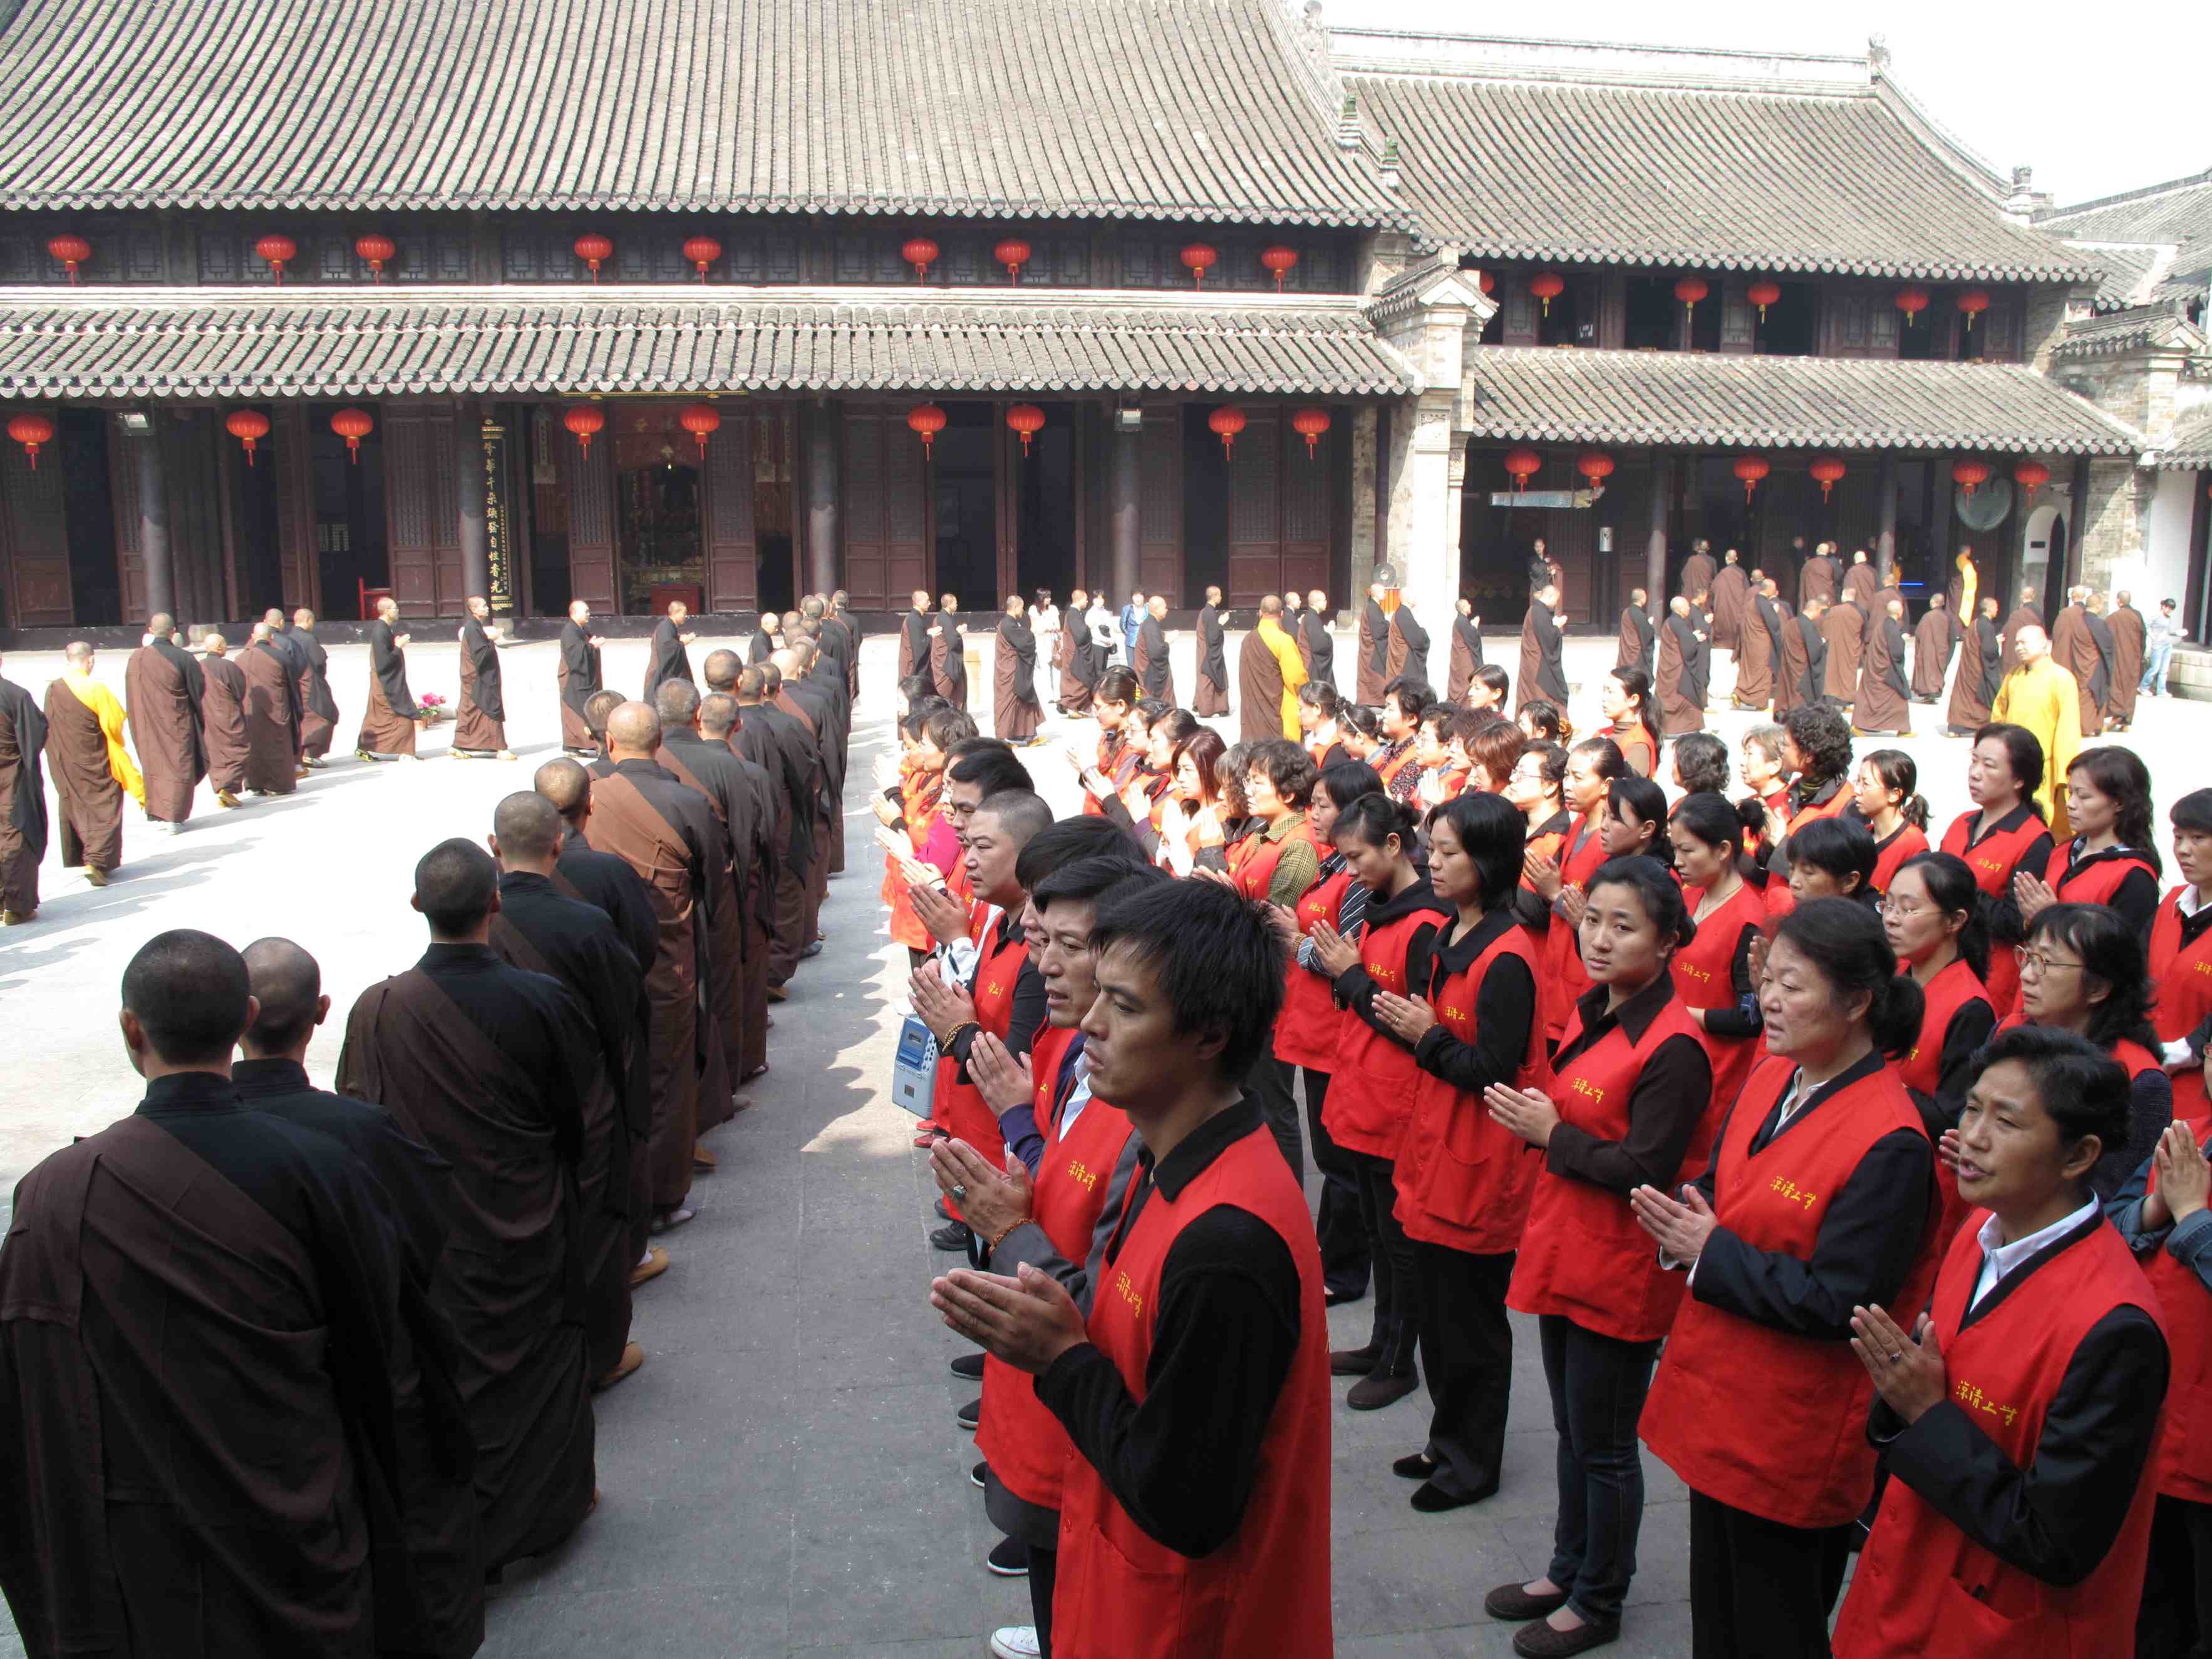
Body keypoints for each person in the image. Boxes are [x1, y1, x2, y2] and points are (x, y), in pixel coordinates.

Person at [0, 930, 484, 1658]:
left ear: (131, 1029)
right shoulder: (320, 1170)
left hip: (144, 1555)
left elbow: (34, 1392)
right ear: (243, 1018)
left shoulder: (55, 1194)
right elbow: (383, 1354)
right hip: (300, 1524)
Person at [929, 877, 1331, 1659]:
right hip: (1124, 1590)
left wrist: (1059, 1358)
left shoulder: (1228, 1243)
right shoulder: (1165, 1158)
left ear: (1210, 1035)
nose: (1093, 1026)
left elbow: (1186, 1502)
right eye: (1098, 995)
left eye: (1127, 1007)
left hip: (1189, 1624)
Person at [1634, 899, 1937, 1659]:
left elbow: (1843, 1300)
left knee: (1774, 1626)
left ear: (1858, 1000)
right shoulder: (1774, 1074)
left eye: (1792, 985)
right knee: (1717, 1615)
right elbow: (1725, 1187)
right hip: (1722, 1397)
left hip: (1792, 1433)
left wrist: (1709, 1252)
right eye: (1766, 978)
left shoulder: (1892, 1140)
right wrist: (1684, 1226)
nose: (1766, 998)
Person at [1836, 1028, 2168, 1659]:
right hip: (1905, 1588)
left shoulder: (2116, 1326)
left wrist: (1926, 1415)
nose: (1974, 1137)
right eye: (1972, 1108)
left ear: (2078, 1156)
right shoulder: (1980, 1233)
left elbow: (2057, 1541)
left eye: (2006, 1122)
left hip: (1999, 1628)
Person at [336, 840, 601, 1576]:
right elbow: (575, 1109)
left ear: (417, 907)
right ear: (494, 903)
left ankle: (468, 1521)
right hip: (527, 1206)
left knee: (453, 1373)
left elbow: (361, 1122)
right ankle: (549, 1509)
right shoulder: (540, 1000)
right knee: (540, 1358)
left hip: (433, 1229)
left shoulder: (379, 1010)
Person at [1485, 858, 1711, 1656]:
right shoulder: (1599, 1011)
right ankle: (1566, 1566)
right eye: (1595, 920)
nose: (1601, 938)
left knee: (1606, 1442)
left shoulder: (1674, 1046)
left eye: (1625, 926)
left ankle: (1599, 1599)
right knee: (1574, 1432)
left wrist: (1554, 1135)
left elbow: (1648, 1170)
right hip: (1567, 1247)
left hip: (1617, 1265)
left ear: (1669, 941)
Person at [937, 855, 1161, 1659]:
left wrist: (1011, 1230)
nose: (1046, 963)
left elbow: (1108, 1304)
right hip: (1044, 1382)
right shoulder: (1076, 1057)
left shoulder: (1154, 1130)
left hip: (1083, 1396)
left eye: (1071, 943)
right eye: (1036, 938)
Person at [1377, 792, 1547, 1512]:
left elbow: (1494, 1073)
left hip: (1478, 1164)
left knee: (1470, 1324)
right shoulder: (1454, 931)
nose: (1432, 863)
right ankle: (1445, 1439)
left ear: (1490, 859)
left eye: (1448, 853)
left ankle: (1472, 1462)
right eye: (1432, 849)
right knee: (1436, 1313)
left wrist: (1426, 1037)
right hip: (1436, 1150)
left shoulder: (1507, 955)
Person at [484, 792, 653, 1388]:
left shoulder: (484, 928)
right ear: (559, 843)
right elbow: (626, 999)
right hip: (584, 1090)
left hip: (497, 1101)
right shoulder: (586, 923)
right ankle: (602, 1351)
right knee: (597, 1222)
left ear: (494, 847)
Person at [1308, 793, 1452, 1411]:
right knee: (1373, 1230)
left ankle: (1399, 1359)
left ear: (1394, 846)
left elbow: (1414, 1025)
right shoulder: (1380, 910)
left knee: (1398, 1243)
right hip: (1361, 1097)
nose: (1349, 871)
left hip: (1396, 1105)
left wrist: (1348, 974)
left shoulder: (1424, 924)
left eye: (1356, 857)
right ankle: (1378, 1343)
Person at [581, 702, 723, 1229]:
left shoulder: (590, 796)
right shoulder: (687, 800)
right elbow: (711, 878)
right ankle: (663, 1197)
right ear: (661, 738)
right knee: (665, 1076)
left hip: (595, 962)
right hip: (667, 963)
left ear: (610, 745)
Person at [910, 792, 1054, 1251]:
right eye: (966, 845)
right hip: (974, 1135)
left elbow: (1012, 1070)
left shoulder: (1036, 954)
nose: (968, 860)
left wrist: (957, 1027)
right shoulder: (997, 923)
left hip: (1009, 1154)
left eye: (984, 847)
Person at [1274, 758, 1385, 1307]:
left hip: (1336, 1034)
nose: (1313, 814)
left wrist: (1293, 941)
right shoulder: (1331, 863)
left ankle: (1344, 1270)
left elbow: (1347, 959)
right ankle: (1332, 1253)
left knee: (1340, 1158)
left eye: (1322, 804)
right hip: (1311, 1030)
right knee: (1331, 1150)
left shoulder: (1358, 879)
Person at [2115, 1115, 2212, 1658]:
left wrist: (2193, 1216)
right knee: (2147, 1617)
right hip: (2153, 1430)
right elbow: (2104, 1225)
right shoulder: (2187, 1135)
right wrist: (2155, 1208)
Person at [2012, 902, 2172, 1197]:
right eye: (2027, 957)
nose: (2027, 975)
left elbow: (2114, 1198)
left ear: (2098, 988)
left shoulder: (2138, 1081)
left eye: (2046, 962)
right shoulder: (2009, 1034)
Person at [1883, 850, 1998, 1241]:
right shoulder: (1892, 975)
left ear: (1955, 921)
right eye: (1889, 904)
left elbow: (1952, 1119)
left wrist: (1875, 1083)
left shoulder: (1970, 1006)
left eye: (1909, 908)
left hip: (1920, 1179)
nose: (1892, 917)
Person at [1940, 723, 2055, 1014]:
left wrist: (1958, 887)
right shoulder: (1962, 824)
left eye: (1989, 765)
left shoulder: (2034, 840)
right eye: (1974, 761)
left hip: (1990, 980)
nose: (1975, 773)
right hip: (1943, 965)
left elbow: (2014, 921)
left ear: (2018, 780)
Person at [1517, 736, 1626, 1043]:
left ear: (1607, 785)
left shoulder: (1610, 842)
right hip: (1554, 972)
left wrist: (1554, 893)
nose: (1568, 784)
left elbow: (1596, 915)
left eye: (1578, 778)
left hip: (1583, 977)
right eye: (1566, 775)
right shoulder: (1577, 826)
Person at [1668, 791, 1769, 1110]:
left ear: (1723, 850)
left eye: (1687, 850)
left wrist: (1679, 1013)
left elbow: (1749, 1018)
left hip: (1715, 1073)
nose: (1677, 861)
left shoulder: (1748, 922)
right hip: (1674, 1055)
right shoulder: (1690, 897)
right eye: (1675, 849)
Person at [2014, 745, 2163, 943]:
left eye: (2083, 796)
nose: (2071, 804)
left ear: (2120, 803)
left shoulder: (2134, 876)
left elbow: (2124, 956)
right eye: (2070, 793)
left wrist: (2051, 917)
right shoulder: (2063, 852)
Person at [43, 640, 141, 887]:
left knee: (78, 805)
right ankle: (96, 860)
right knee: (105, 803)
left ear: (68, 661)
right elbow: (115, 726)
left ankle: (88, 856)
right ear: (91, 661)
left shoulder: (54, 689)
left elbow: (49, 726)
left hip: (67, 761)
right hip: (96, 759)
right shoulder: (96, 689)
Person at [2150, 788, 2212, 1132]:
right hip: (2151, 1079)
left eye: (2198, 838)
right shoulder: (2173, 903)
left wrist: (2185, 1051)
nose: (2183, 850)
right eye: (2178, 837)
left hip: (2201, 1094)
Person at [123, 613, 205, 832]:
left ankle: (160, 812)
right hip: (177, 722)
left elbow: (132, 693)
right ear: (173, 633)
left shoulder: (136, 658)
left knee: (155, 764)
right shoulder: (184, 658)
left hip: (147, 723)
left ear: (150, 631)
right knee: (179, 765)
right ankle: (174, 816)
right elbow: (198, 690)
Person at [1853, 748, 1931, 894]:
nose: (1857, 791)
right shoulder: (1861, 835)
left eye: (1866, 785)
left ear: (1894, 795)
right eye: (1858, 782)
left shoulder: (1914, 846)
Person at [238, 623, 303, 795]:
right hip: (278, 710)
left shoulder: (241, 659)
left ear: (253, 636)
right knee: (278, 746)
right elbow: (293, 686)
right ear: (271, 637)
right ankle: (279, 785)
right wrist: (298, 709)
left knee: (256, 745)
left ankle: (255, 783)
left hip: (251, 713)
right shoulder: (281, 657)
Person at [356, 597, 420, 760]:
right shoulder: (380, 630)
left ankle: (364, 746)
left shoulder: (384, 628)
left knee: (378, 717)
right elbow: (384, 662)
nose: (398, 611)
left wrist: (395, 645)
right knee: (402, 714)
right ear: (386, 611)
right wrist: (398, 648)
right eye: (395, 608)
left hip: (383, 680)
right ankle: (405, 752)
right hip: (386, 682)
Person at [1238, 594, 1306, 742]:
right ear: (1281, 614)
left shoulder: (1248, 640)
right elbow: (1296, 680)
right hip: (1276, 714)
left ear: (1260, 613)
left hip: (1252, 716)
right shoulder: (1284, 641)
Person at [452, 594, 512, 760]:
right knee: (486, 709)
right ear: (474, 609)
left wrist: (488, 639)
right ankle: (500, 748)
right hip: (477, 679)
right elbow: (480, 655)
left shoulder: (476, 626)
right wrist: (491, 640)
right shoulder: (472, 628)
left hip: (479, 678)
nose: (487, 608)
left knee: (473, 712)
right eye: (483, 606)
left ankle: (460, 745)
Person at [193, 633, 249, 810]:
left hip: (207, 717)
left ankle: (224, 790)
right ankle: (227, 789)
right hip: (228, 716)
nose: (225, 648)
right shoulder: (228, 667)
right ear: (218, 647)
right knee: (239, 749)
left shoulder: (197, 667)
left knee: (215, 752)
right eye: (224, 645)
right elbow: (240, 691)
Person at [284, 607, 342, 765]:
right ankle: (310, 753)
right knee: (324, 716)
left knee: (305, 718)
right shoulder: (308, 639)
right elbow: (318, 662)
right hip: (311, 684)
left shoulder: (288, 638)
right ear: (308, 621)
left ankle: (302, 753)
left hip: (296, 684)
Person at [1945, 594, 2005, 735]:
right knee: (1979, 699)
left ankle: (1957, 727)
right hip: (1977, 670)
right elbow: (1989, 651)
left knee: (1965, 697)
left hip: (1969, 668)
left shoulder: (1976, 623)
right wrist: (1997, 644)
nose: (1997, 610)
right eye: (1996, 607)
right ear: (1989, 609)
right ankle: (1977, 725)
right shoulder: (1986, 626)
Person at [2049, 587, 2104, 737]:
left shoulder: (2065, 614)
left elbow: (2057, 636)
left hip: (2064, 659)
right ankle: (2083, 724)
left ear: (2072, 596)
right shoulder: (2087, 616)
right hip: (2084, 661)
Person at [1854, 597, 1913, 735]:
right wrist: (1902, 640)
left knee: (1870, 698)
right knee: (1900, 698)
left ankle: (1859, 724)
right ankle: (1902, 730)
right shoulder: (1892, 628)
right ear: (1900, 612)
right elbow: (1897, 652)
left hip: (1877, 668)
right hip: (1886, 671)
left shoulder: (1883, 624)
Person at [554, 599, 604, 755]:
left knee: (583, 708)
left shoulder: (580, 629)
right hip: (573, 678)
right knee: (575, 709)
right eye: (586, 611)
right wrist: (591, 646)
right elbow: (576, 654)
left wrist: (590, 645)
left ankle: (573, 746)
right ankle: (573, 745)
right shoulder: (569, 631)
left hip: (581, 677)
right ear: (574, 613)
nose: (589, 614)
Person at [993, 596, 1043, 744]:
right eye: (1021, 608)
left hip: (1015, 667)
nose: (1023, 611)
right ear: (1015, 608)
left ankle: (1023, 733)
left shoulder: (1010, 623)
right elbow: (1025, 642)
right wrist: (1032, 630)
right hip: (1011, 670)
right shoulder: (1009, 624)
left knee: (1022, 700)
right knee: (1009, 701)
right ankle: (1004, 735)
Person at [1599, 666, 1659, 779]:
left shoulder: (1639, 744)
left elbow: (1628, 791)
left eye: (1611, 692)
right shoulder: (1600, 734)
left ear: (1633, 700)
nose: (1604, 698)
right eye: (1604, 691)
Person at [1657, 595, 1707, 733]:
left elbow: (1683, 639)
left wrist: (1692, 637)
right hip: (1677, 668)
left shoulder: (1670, 621)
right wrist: (1696, 639)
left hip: (1668, 666)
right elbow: (1687, 647)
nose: (1689, 609)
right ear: (1681, 609)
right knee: (1686, 696)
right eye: (1687, 606)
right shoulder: (1678, 623)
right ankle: (1682, 727)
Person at [1519, 581, 1569, 713]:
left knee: (1534, 693)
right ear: (1551, 597)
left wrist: (1552, 626)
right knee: (1544, 693)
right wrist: (1557, 627)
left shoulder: (1536, 610)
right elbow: (1549, 638)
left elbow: (1544, 631)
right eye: (1556, 601)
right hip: (1539, 662)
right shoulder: (1539, 612)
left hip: (1534, 660)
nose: (1555, 604)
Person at [1734, 580, 1778, 709]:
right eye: (1774, 589)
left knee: (1747, 670)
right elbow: (1774, 625)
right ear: (1769, 589)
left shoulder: (1751, 603)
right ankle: (1759, 703)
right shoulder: (1764, 604)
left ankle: (1739, 693)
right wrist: (1775, 612)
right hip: (1761, 644)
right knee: (1763, 671)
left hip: (1749, 641)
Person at [642, 599, 696, 701]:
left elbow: (670, 641)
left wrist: (679, 639)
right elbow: (667, 647)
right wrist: (683, 643)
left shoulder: (669, 626)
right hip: (659, 671)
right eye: (684, 613)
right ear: (675, 613)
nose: (685, 616)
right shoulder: (666, 627)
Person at [1821, 591, 1867, 708]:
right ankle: (1846, 699)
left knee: (1832, 671)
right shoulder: (1860, 613)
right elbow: (1864, 632)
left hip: (1833, 647)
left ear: (1844, 597)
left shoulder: (1833, 611)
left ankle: (1830, 697)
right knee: (1848, 672)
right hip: (1851, 647)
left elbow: (1824, 628)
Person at [1910, 591, 1953, 701]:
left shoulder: (1927, 617)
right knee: (1937, 672)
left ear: (1933, 602)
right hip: (1942, 652)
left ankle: (1930, 694)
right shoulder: (1947, 617)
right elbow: (1952, 637)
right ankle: (1933, 694)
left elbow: (1919, 633)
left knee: (1929, 672)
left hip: (1929, 651)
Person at [1194, 586, 1230, 715]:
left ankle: (1209, 706)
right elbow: (1213, 637)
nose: (1221, 597)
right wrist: (1221, 624)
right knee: (1209, 678)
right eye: (1219, 595)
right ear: (1214, 597)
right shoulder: (1209, 613)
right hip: (1208, 652)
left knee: (1208, 677)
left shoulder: (1206, 611)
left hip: (1204, 650)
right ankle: (1207, 709)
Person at [1134, 595, 1173, 703]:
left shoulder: (1151, 623)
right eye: (1164, 607)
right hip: (1149, 671)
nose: (1167, 610)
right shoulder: (1151, 625)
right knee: (1155, 703)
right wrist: (1167, 643)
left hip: (1148, 669)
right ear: (1156, 609)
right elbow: (1156, 653)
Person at [1710, 549, 1749, 654]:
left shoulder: (1722, 574)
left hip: (1723, 609)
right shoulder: (1742, 573)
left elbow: (1713, 589)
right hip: (1738, 608)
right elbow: (1747, 591)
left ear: (1726, 559)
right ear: (1736, 559)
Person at [2144, 596, 2184, 698]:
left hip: (2167, 645)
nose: (2169, 611)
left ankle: (2161, 690)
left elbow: (2169, 631)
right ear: (2164, 606)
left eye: (2171, 609)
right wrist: (2153, 636)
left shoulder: (2168, 618)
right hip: (2158, 645)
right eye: (2169, 608)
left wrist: (2177, 633)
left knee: (2164, 669)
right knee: (2155, 668)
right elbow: (2146, 625)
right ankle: (2144, 687)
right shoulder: (2156, 615)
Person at [1300, 588, 1336, 693]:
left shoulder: (1312, 616)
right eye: (1324, 600)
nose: (1326, 602)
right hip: (1312, 665)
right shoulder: (1312, 618)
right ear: (1316, 603)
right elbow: (1319, 646)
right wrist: (1329, 633)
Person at [1449, 596, 1485, 701]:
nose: (1470, 606)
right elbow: (1472, 639)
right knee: (1465, 680)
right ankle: (1463, 702)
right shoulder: (1462, 621)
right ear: (1464, 608)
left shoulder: (1461, 620)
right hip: (1464, 658)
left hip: (1460, 656)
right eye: (1468, 605)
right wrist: (1474, 626)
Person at [897, 589, 933, 681]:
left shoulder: (916, 618)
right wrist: (930, 636)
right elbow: (919, 648)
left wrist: (927, 635)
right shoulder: (914, 619)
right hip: (912, 671)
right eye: (927, 601)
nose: (930, 603)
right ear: (918, 602)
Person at [1118, 589, 1144, 668]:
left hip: (1145, 643)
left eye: (1139, 596)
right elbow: (1123, 625)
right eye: (1135, 596)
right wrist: (1129, 635)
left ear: (1143, 597)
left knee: (1144, 667)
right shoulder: (1127, 609)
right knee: (1132, 667)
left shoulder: (1148, 608)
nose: (1137, 599)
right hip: (1131, 643)